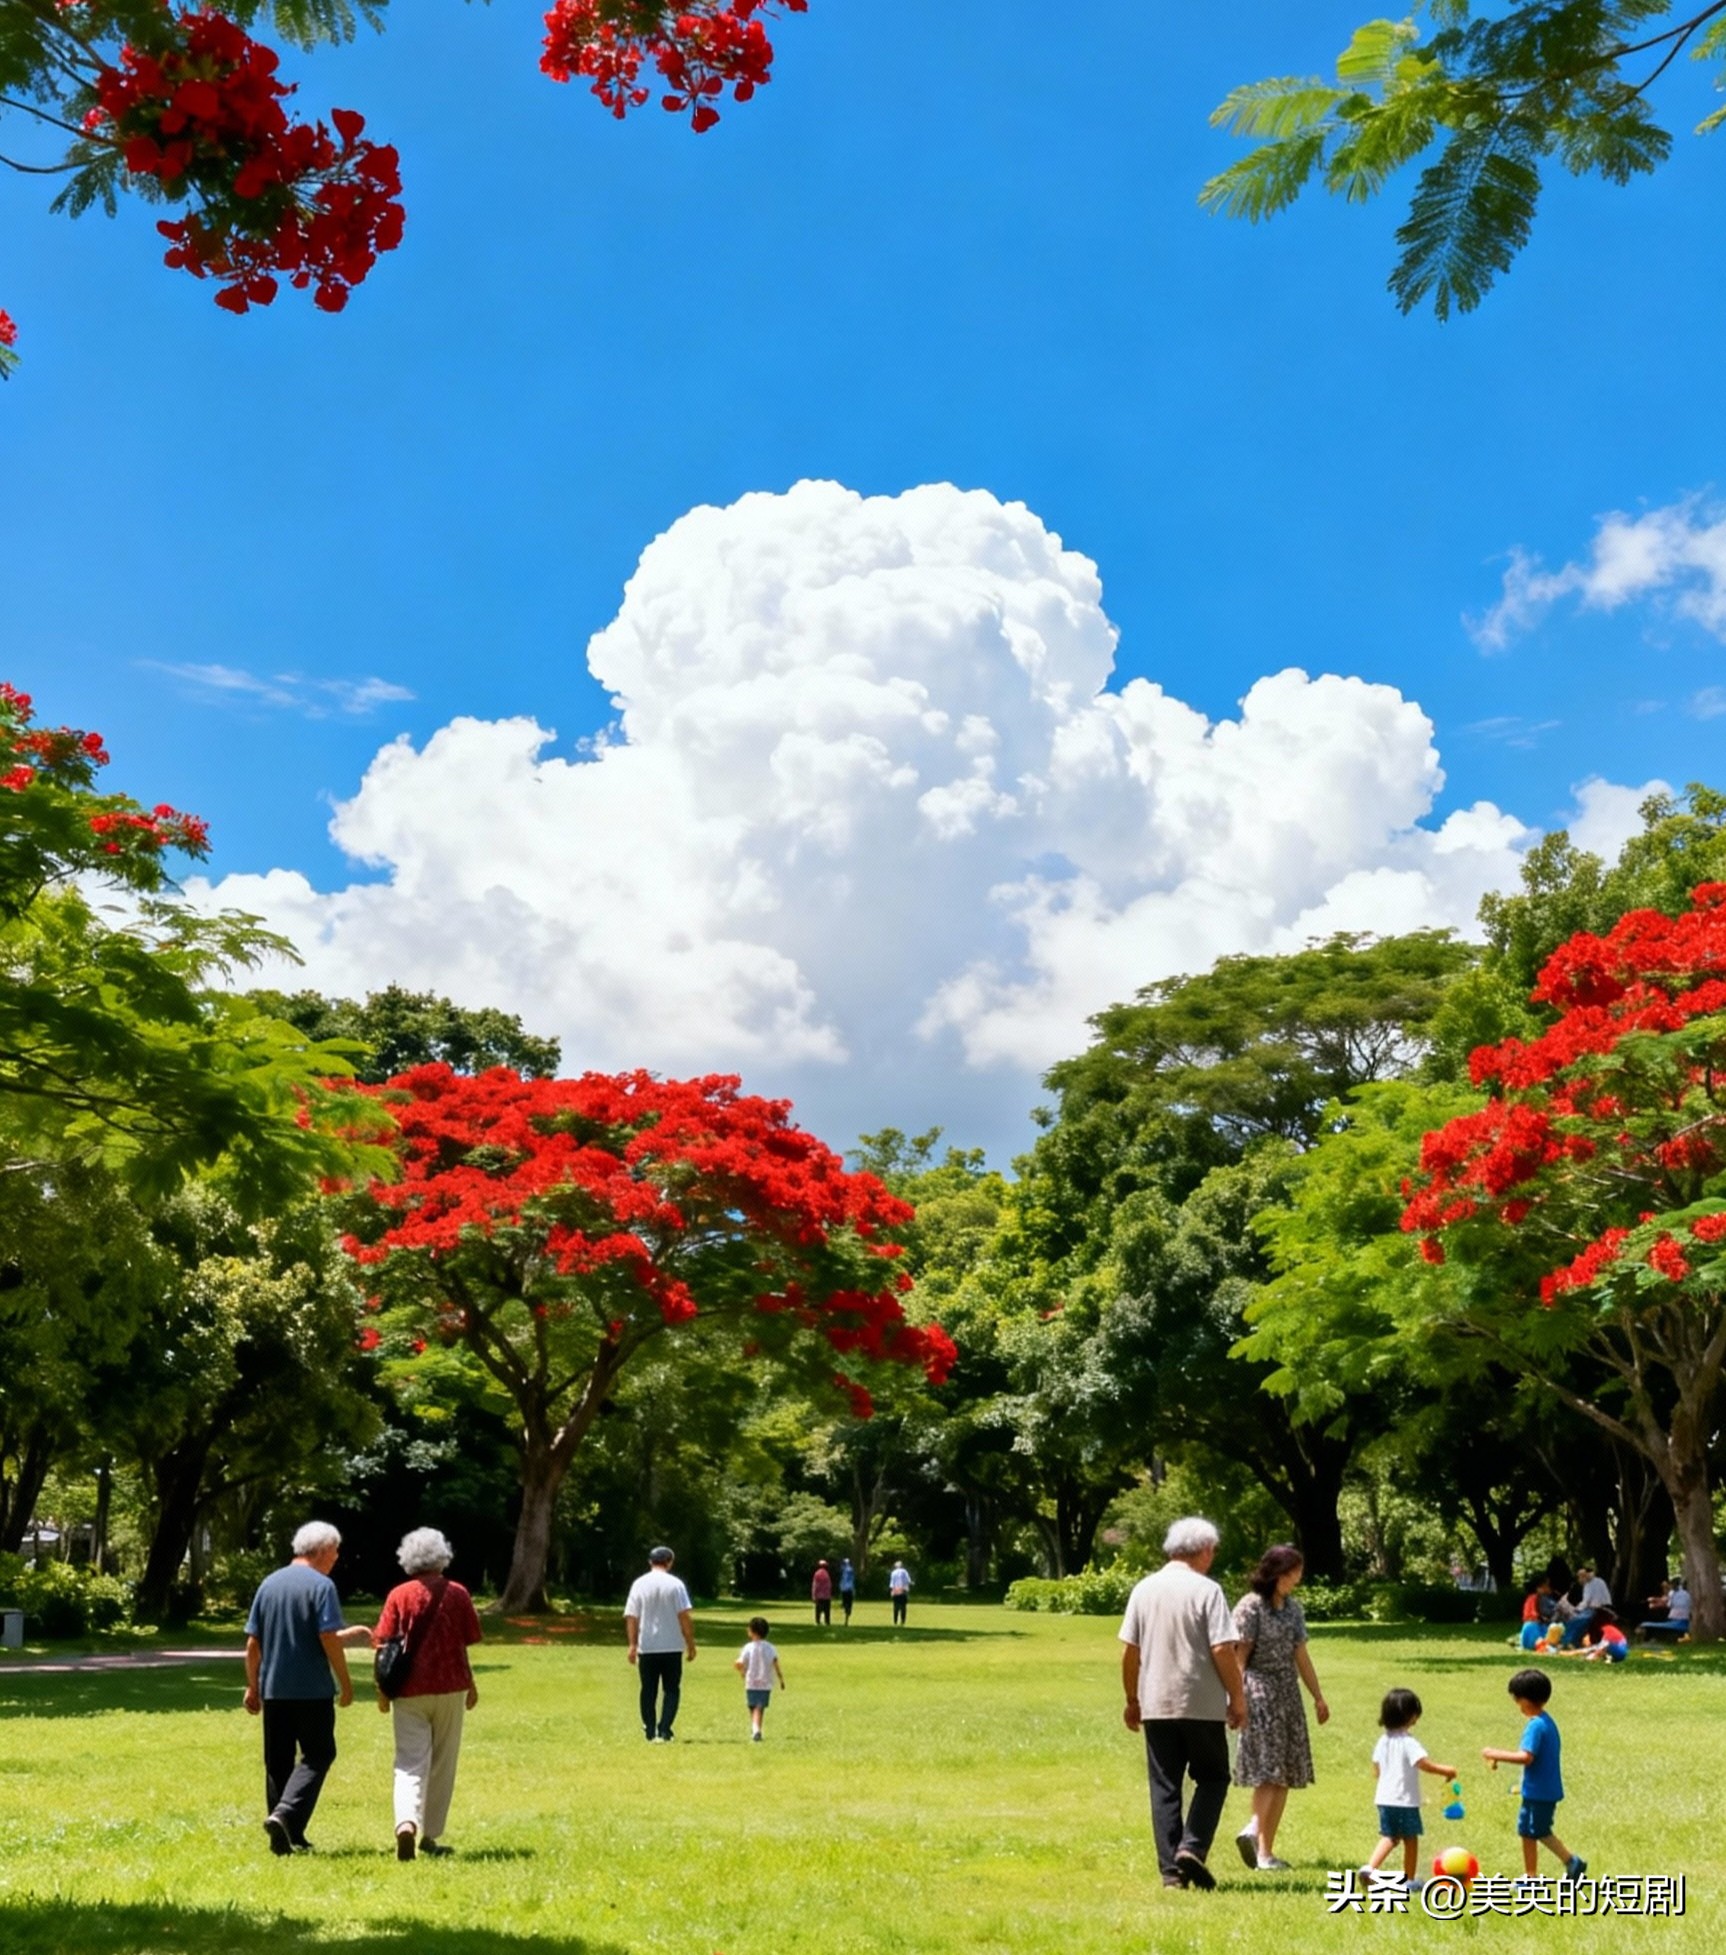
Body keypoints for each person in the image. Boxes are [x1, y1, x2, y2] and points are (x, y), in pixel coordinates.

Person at [1117, 1515, 1246, 1892]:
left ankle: (1171, 1874)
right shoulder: (1207, 1591)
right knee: (1213, 1777)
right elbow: (1223, 1648)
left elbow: (1129, 1652)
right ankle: (1191, 1847)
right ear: (1204, 1550)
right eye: (1214, 1550)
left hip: (1156, 1702)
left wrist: (1132, 1699)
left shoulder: (1144, 1589)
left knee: (1165, 1785)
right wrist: (1237, 1698)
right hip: (1200, 1702)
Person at [243, 1520, 373, 1855]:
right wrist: (346, 1683)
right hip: (311, 1689)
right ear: (321, 1550)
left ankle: (285, 1836)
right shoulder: (321, 1585)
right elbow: (325, 1637)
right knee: (319, 1754)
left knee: (278, 1761)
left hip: (274, 1688)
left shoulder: (269, 1585)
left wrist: (252, 1687)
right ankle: (286, 1815)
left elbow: (253, 1644)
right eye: (335, 1551)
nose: (337, 1557)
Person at [374, 1527, 484, 1860]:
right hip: (450, 1686)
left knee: (409, 1762)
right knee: (442, 1762)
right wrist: (471, 1684)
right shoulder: (458, 1593)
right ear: (442, 1556)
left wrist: (381, 1690)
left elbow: (383, 1643)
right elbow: (465, 1642)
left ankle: (405, 1822)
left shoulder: (399, 1595)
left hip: (408, 1690)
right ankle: (430, 1835)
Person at [1229, 1545, 1329, 1872]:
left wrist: (1318, 1696)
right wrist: (1236, 1698)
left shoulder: (1292, 1609)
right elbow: (1239, 1658)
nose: (1296, 1579)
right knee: (1269, 1770)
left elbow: (1301, 1656)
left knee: (1284, 1773)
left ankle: (1264, 1853)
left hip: (1288, 1694)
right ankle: (1253, 1829)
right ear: (1275, 1573)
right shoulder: (1250, 1607)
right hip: (1260, 1693)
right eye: (1292, 1573)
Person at [1481, 1668, 1587, 1882]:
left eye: (1517, 1700)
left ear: (1526, 1700)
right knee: (1527, 1831)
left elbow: (1526, 1757)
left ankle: (1572, 1861)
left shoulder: (1536, 1726)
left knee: (1540, 1830)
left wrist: (1495, 1754)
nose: (1517, 1705)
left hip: (1541, 1792)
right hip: (1537, 1790)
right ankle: (1530, 1876)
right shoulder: (1545, 1721)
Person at [1364, 1687, 1458, 1884]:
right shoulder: (1408, 1742)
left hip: (1384, 1798)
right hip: (1404, 1800)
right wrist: (1446, 1770)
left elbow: (1376, 1767)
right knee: (1410, 1838)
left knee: (1390, 1836)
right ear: (1410, 1716)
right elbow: (1423, 1764)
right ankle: (1409, 1880)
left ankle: (1369, 1868)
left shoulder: (1383, 1740)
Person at [624, 1545, 696, 1742]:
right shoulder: (676, 1585)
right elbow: (684, 1616)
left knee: (648, 1688)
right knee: (671, 1689)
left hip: (647, 1645)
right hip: (672, 1645)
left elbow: (631, 1616)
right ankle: (664, 1729)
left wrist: (632, 1644)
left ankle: (649, 1729)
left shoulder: (639, 1584)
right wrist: (690, 1643)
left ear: (650, 1562)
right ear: (669, 1562)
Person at [733, 1615, 785, 1740]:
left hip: (751, 1682)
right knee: (759, 1707)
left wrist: (741, 1670)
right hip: (765, 1682)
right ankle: (756, 1729)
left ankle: (756, 1729)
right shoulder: (771, 1648)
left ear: (752, 1631)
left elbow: (740, 1663)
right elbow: (776, 1664)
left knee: (753, 1706)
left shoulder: (748, 1647)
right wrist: (781, 1679)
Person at [1559, 1564, 1611, 1648]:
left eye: (1580, 1576)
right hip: (1606, 1608)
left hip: (1595, 1609)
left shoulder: (1588, 1585)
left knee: (1574, 1621)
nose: (1579, 1579)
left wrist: (1576, 1609)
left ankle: (1568, 1641)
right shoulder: (1600, 1581)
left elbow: (1586, 1602)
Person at [889, 1559, 912, 1626]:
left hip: (895, 1590)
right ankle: (902, 1621)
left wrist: (892, 1591)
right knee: (903, 1607)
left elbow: (892, 1584)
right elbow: (908, 1580)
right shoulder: (904, 1571)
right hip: (903, 1590)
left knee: (895, 1607)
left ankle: (895, 1621)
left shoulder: (893, 1573)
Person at [811, 1559, 833, 1627]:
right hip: (826, 1595)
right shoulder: (827, 1574)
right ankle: (827, 1621)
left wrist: (814, 1595)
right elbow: (829, 1585)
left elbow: (815, 1585)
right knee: (827, 1610)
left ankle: (818, 1621)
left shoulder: (817, 1573)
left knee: (818, 1609)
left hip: (819, 1595)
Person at [839, 1557, 856, 1624]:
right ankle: (847, 1617)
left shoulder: (843, 1570)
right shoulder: (851, 1569)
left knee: (845, 1603)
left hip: (844, 1589)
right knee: (849, 1604)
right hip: (850, 1589)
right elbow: (852, 1580)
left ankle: (846, 1614)